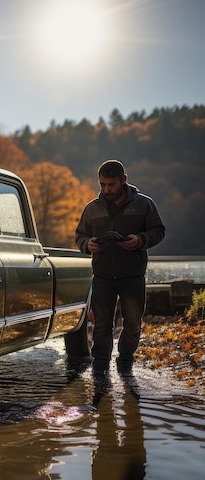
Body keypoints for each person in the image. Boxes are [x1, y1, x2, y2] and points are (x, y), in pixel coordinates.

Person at [75, 159, 165, 375]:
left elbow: (158, 231)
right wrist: (88, 244)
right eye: (103, 184)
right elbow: (80, 236)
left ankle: (125, 361)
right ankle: (101, 366)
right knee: (102, 324)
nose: (107, 189)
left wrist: (140, 240)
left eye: (112, 184)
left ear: (124, 180)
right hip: (102, 276)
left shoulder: (144, 204)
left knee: (133, 322)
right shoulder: (91, 208)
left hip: (133, 275)